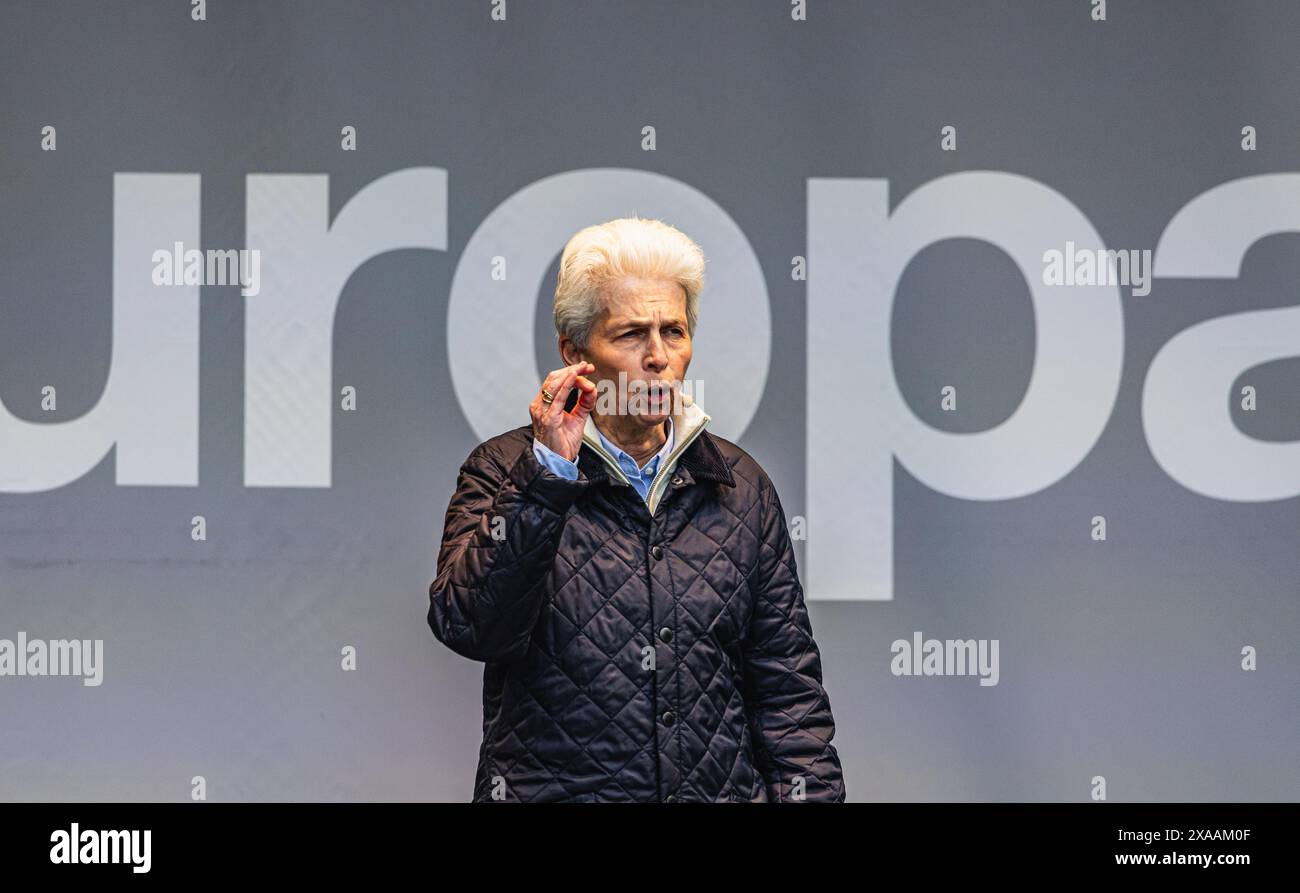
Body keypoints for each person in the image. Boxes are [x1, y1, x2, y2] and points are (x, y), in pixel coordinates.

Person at [428, 216, 845, 802]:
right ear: (575, 354)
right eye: (630, 334)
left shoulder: (741, 486)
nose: (657, 357)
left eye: (673, 331)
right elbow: (471, 626)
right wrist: (549, 476)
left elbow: (788, 696)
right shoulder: (506, 469)